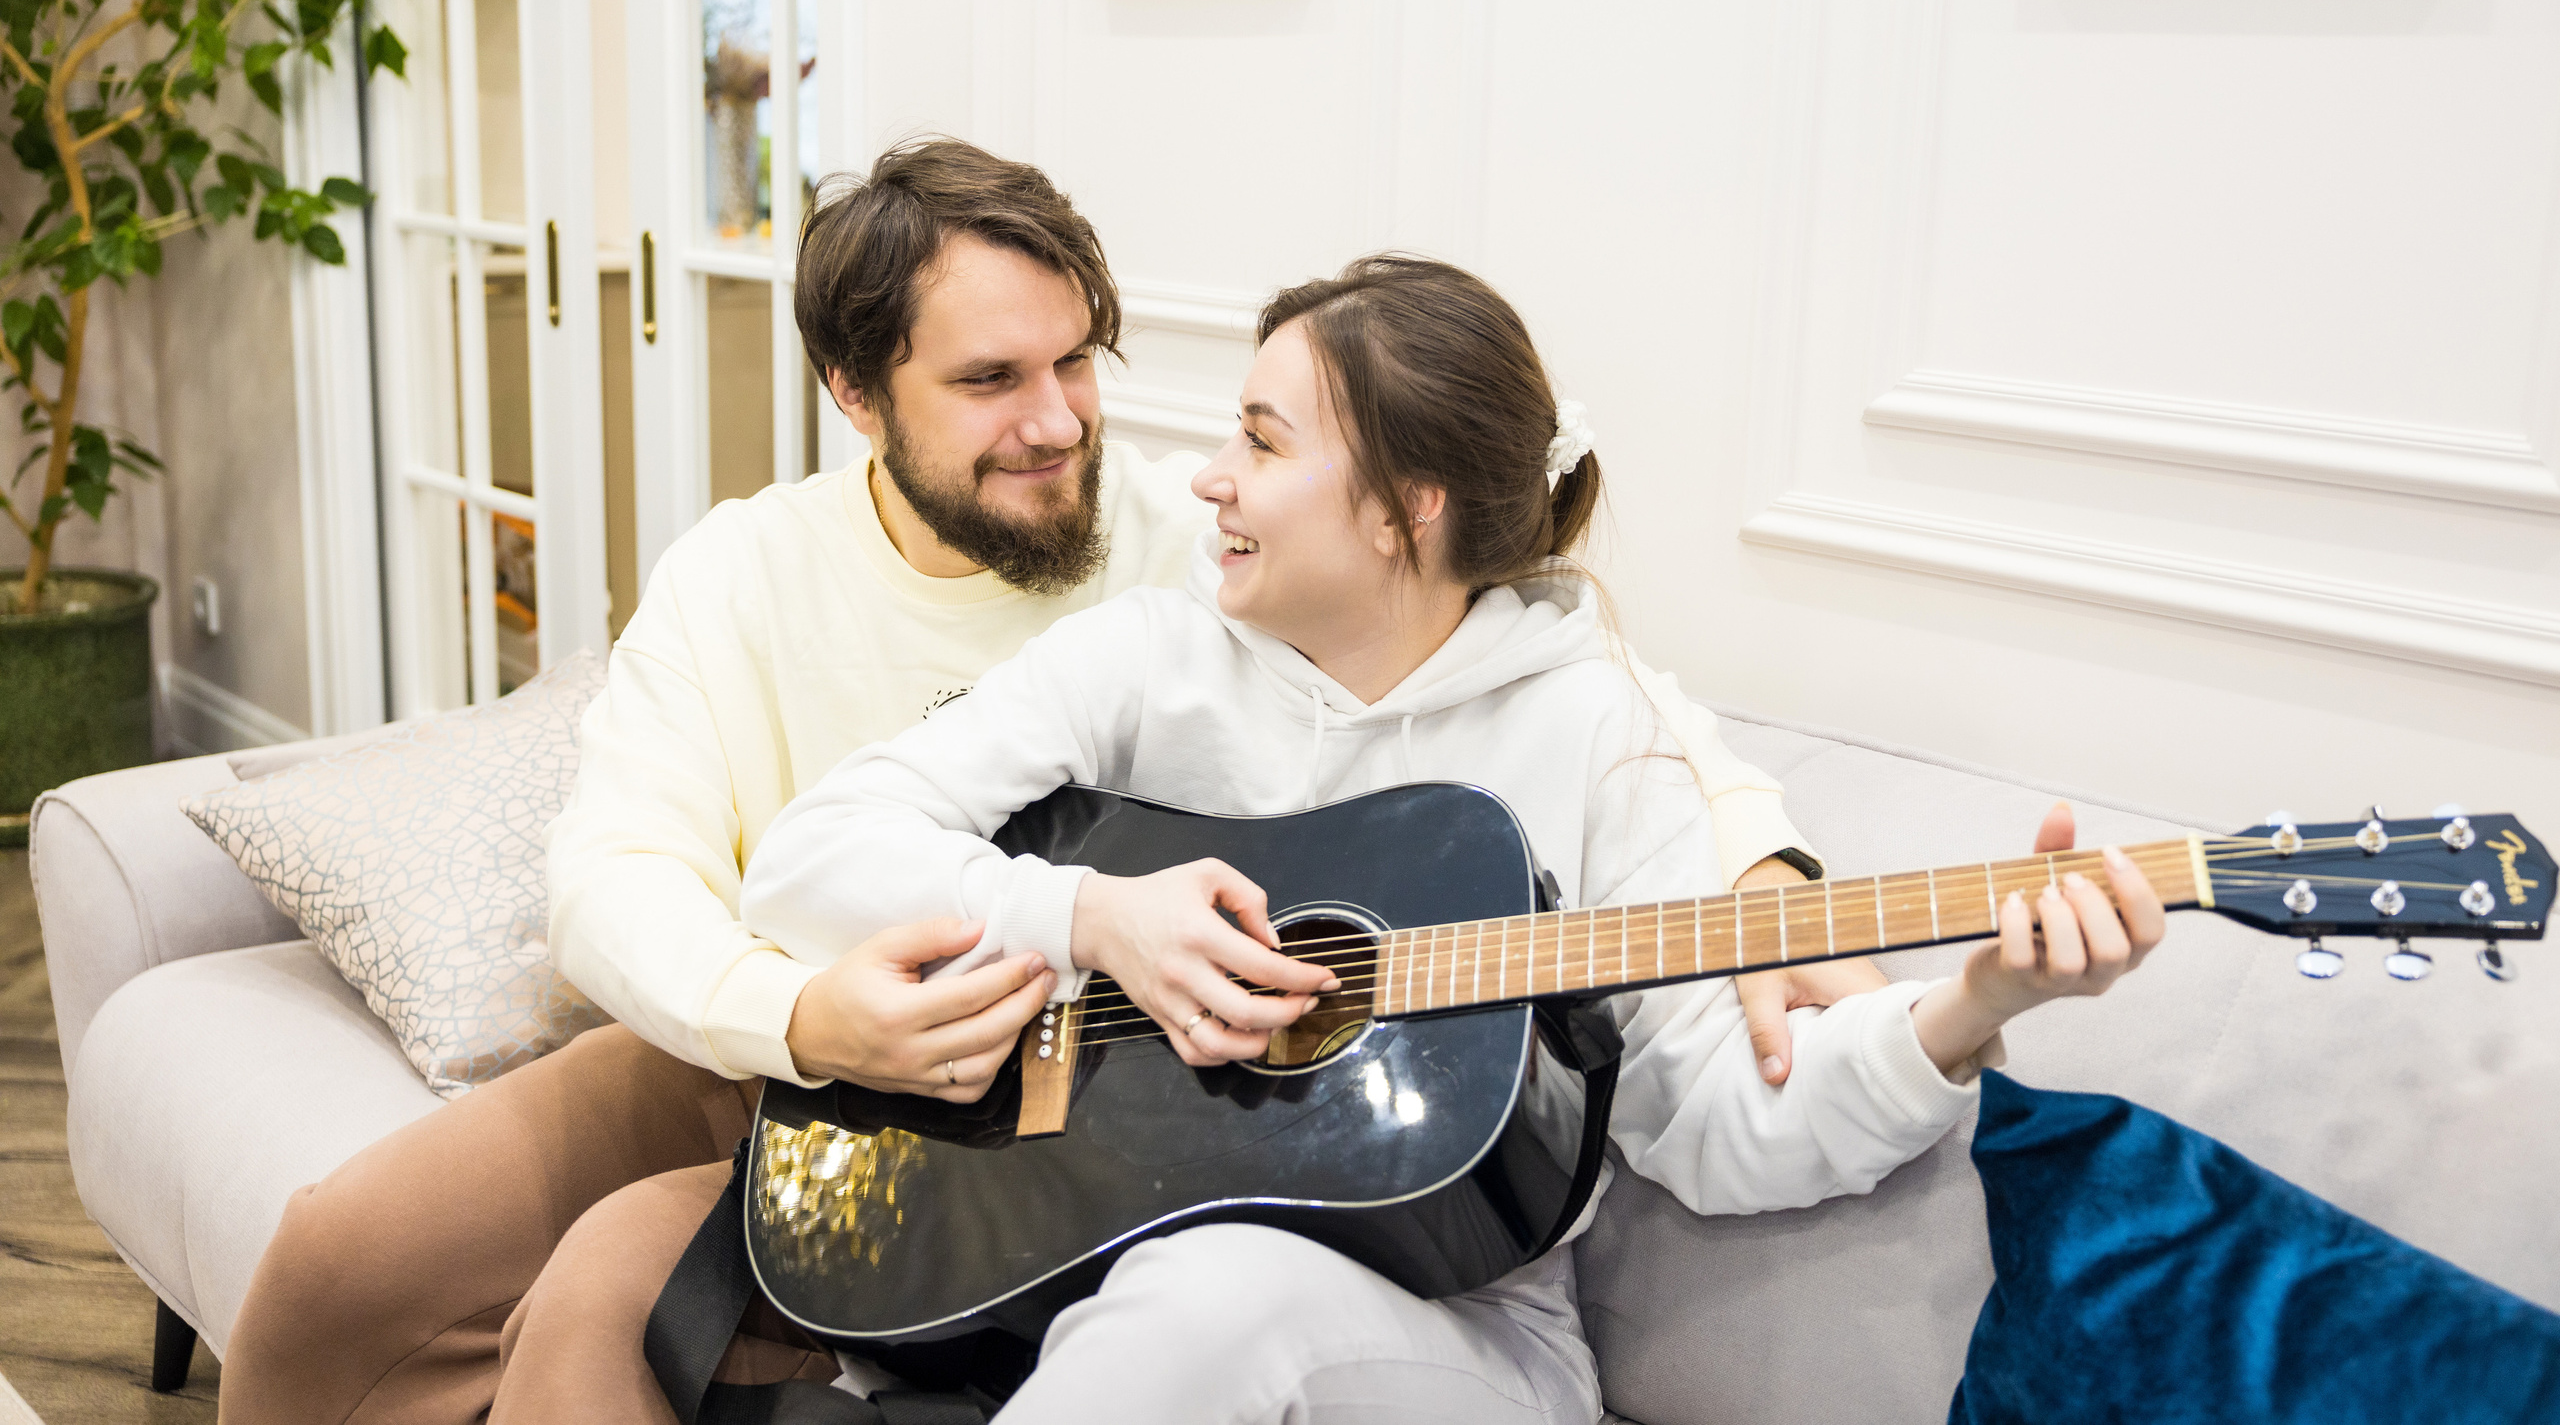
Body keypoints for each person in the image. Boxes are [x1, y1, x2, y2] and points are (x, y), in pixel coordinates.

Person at [214, 142, 1872, 1425]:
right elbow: (618, 878)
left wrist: (1768, 890)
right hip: (765, 1023)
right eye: (991, 382)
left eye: (1079, 363)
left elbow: (1589, 695)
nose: (1059, 423)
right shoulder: (747, 572)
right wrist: (804, 1021)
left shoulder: (1191, 547)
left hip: (1034, 1093)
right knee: (332, 1262)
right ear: (860, 397)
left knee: (593, 1305)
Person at [742, 255, 2165, 1424]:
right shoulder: (1149, 662)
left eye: (1260, 440)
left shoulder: (1590, 732)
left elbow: (1729, 1128)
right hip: (1098, 1274)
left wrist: (1978, 1000)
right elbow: (810, 859)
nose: (1207, 480)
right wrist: (1088, 922)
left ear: (1404, 509)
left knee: (1212, 1297)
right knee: (1175, 1298)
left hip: (1463, 1340)